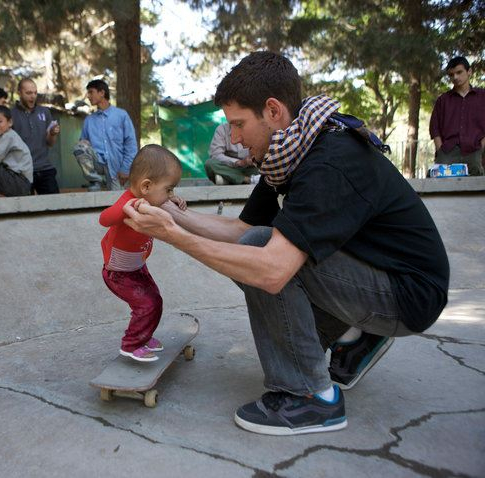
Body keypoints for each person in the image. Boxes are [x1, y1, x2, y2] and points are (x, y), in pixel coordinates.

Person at [122, 52, 449, 435]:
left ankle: (310, 397)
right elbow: (239, 230)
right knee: (260, 239)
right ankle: (354, 338)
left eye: (239, 125)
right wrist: (172, 214)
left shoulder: (329, 160)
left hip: (407, 294)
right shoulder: (289, 154)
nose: (237, 141)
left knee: (266, 250)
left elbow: (273, 270)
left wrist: (171, 236)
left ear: (273, 111)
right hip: (375, 272)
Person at [100, 144, 187, 362]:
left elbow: (166, 211)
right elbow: (104, 219)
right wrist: (126, 207)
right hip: (118, 273)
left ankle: (144, 336)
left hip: (137, 267)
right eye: (169, 189)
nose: (170, 194)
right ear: (146, 186)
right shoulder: (128, 200)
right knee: (146, 305)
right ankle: (131, 344)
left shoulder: (151, 199)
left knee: (155, 300)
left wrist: (172, 201)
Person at [73, 79, 137, 191]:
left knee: (119, 203)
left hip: (117, 167)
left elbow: (130, 144)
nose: (88, 96)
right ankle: (95, 180)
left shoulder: (121, 115)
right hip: (98, 163)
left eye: (91, 92)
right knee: (80, 147)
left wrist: (126, 169)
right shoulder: (89, 120)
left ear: (102, 93)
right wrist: (84, 142)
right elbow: (83, 148)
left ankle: (105, 182)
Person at [429, 56, 485, 176]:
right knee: (436, 178)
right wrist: (440, 150)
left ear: (469, 72)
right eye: (451, 75)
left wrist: (482, 148)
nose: (455, 77)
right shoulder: (443, 100)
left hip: (475, 149)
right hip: (449, 150)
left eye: (459, 72)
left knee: (478, 178)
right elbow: (435, 128)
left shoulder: (482, 96)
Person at [11, 78, 60, 195]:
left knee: (56, 207)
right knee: (25, 209)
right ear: (19, 93)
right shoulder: (10, 114)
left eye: (35, 93)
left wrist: (52, 134)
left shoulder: (45, 112)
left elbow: (50, 143)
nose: (33, 96)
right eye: (28, 93)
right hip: (21, 171)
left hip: (45, 168)